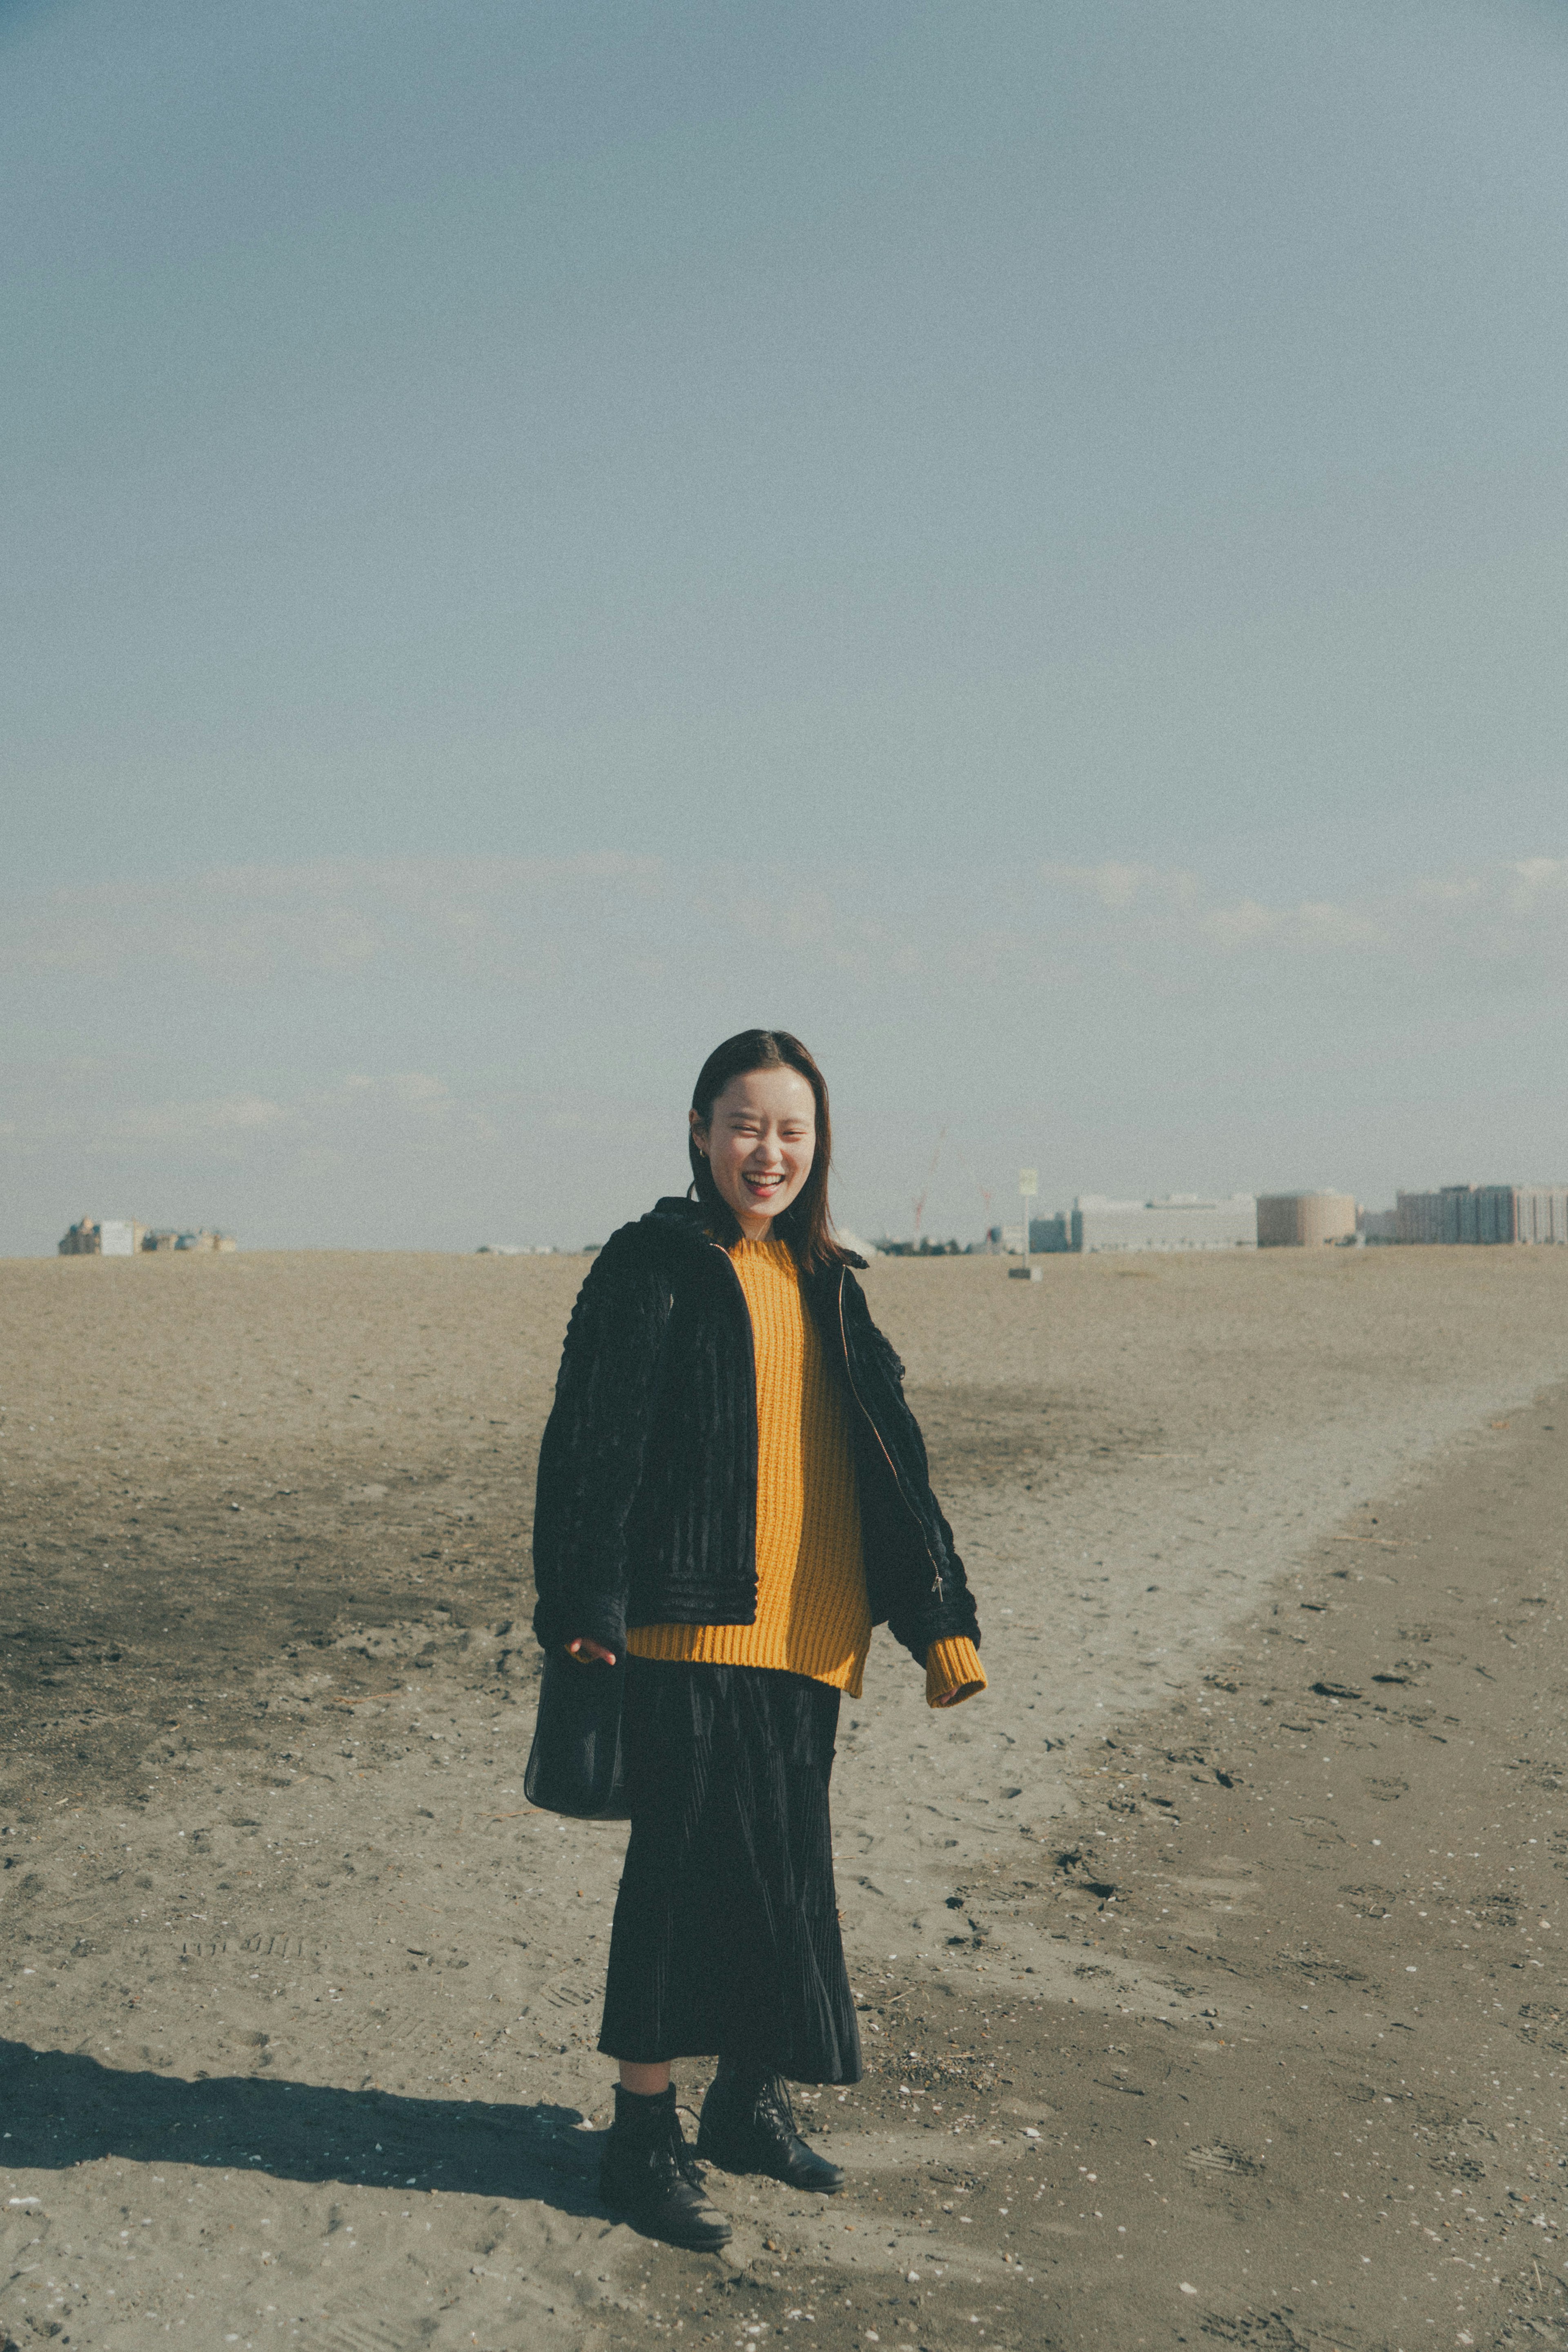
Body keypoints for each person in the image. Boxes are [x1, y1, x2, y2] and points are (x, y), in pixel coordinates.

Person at [531, 1029, 985, 2248]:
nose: (768, 1151)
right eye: (746, 1125)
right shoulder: (654, 1266)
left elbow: (893, 1460)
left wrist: (939, 1622)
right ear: (699, 1131)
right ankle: (640, 2139)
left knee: (782, 1880)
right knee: (678, 1883)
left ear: (818, 1144)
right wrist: (583, 1607)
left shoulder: (830, 1278)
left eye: (792, 1130)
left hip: (813, 1633)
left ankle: (744, 2103)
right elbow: (591, 1441)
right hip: (692, 1624)